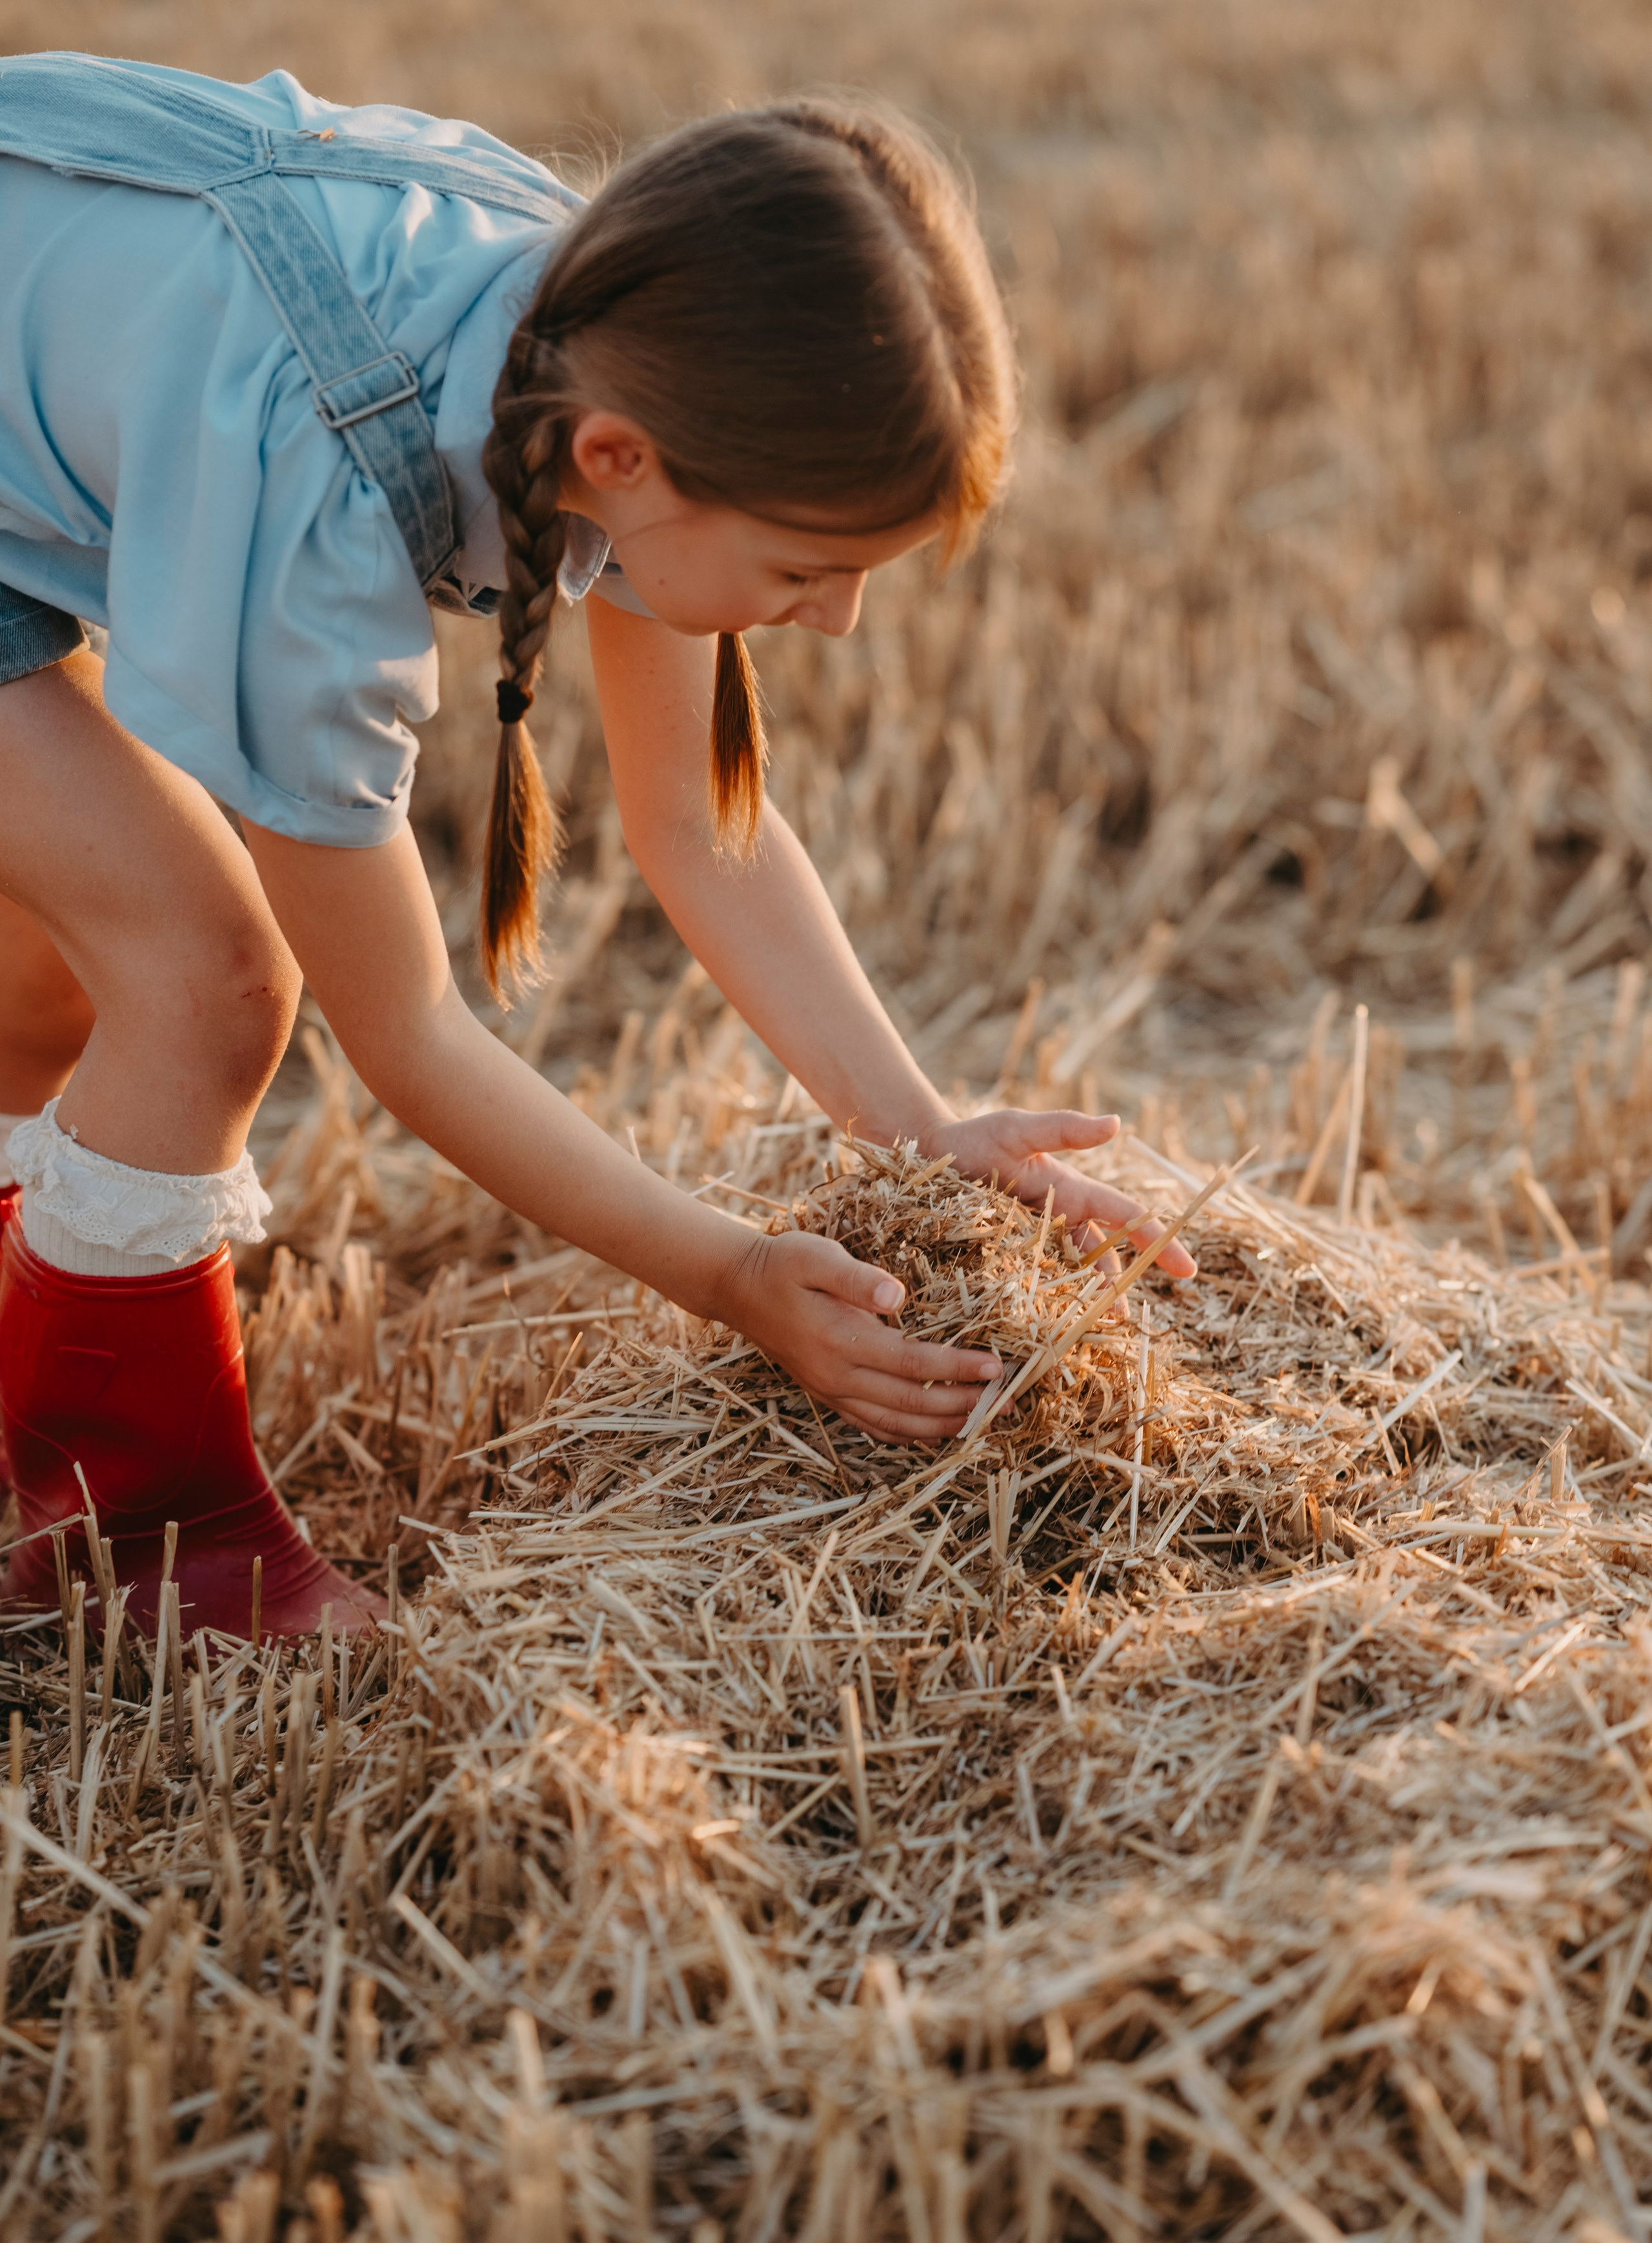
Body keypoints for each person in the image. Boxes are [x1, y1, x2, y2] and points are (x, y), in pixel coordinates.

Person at [0, 51, 1195, 1637]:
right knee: (206, 975)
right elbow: (408, 1036)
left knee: (53, 968)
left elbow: (701, 826)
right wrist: (727, 1275)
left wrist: (917, 1126)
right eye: (806, 568)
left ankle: (49, 1325)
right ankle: (138, 1550)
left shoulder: (619, 345)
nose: (837, 622)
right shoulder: (324, 490)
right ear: (624, 462)